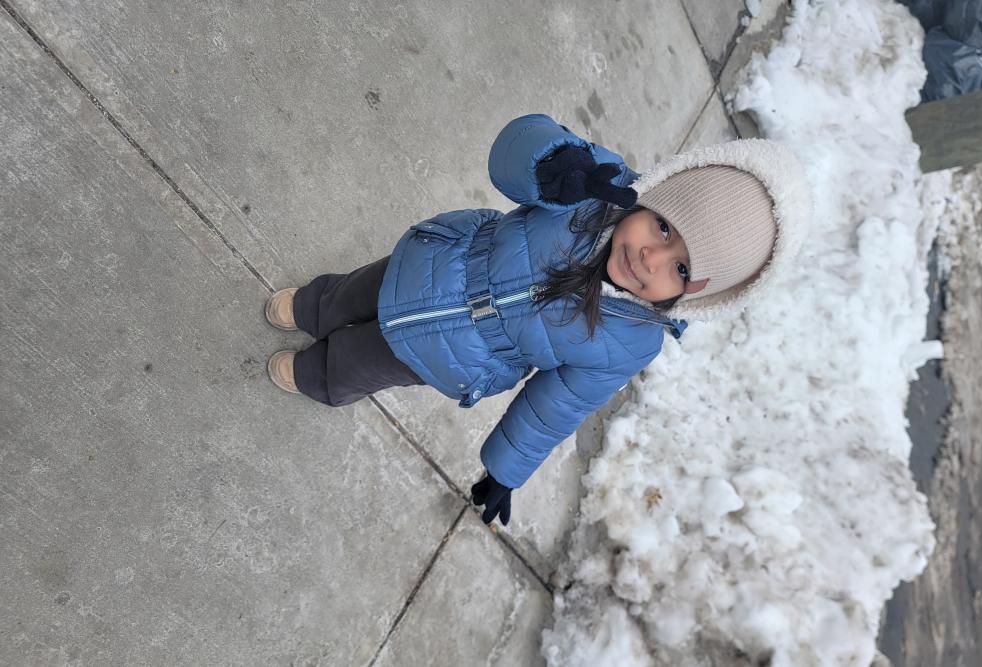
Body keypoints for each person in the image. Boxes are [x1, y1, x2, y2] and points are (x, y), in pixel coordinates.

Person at [262, 114, 811, 527]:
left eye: (681, 267)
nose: (651, 258)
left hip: (456, 355)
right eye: (664, 228)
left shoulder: (631, 345)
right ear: (657, 193)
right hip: (435, 263)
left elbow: (554, 408)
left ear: (696, 296)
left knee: (366, 363)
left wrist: (506, 471)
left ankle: (320, 375)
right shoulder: (596, 186)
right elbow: (517, 148)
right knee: (354, 292)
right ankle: (315, 306)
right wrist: (550, 165)